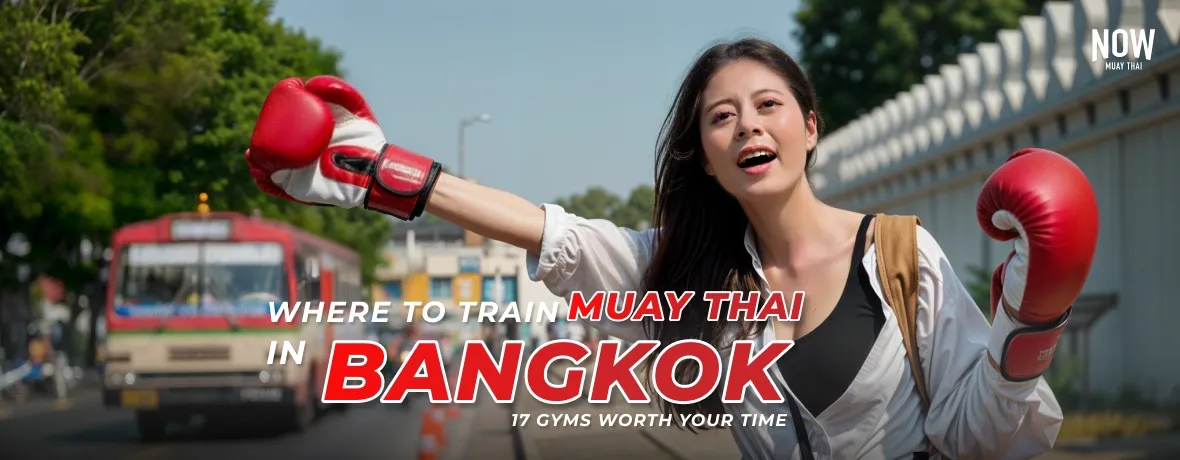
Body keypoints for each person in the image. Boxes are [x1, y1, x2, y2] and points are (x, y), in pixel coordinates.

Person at [244, 37, 1098, 459]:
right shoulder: (689, 272)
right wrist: (382, 173)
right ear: (706, 154)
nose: (746, 126)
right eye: (721, 117)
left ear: (809, 128)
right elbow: (555, 233)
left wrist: (1028, 334)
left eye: (768, 106)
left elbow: (979, 437)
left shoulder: (899, 256)